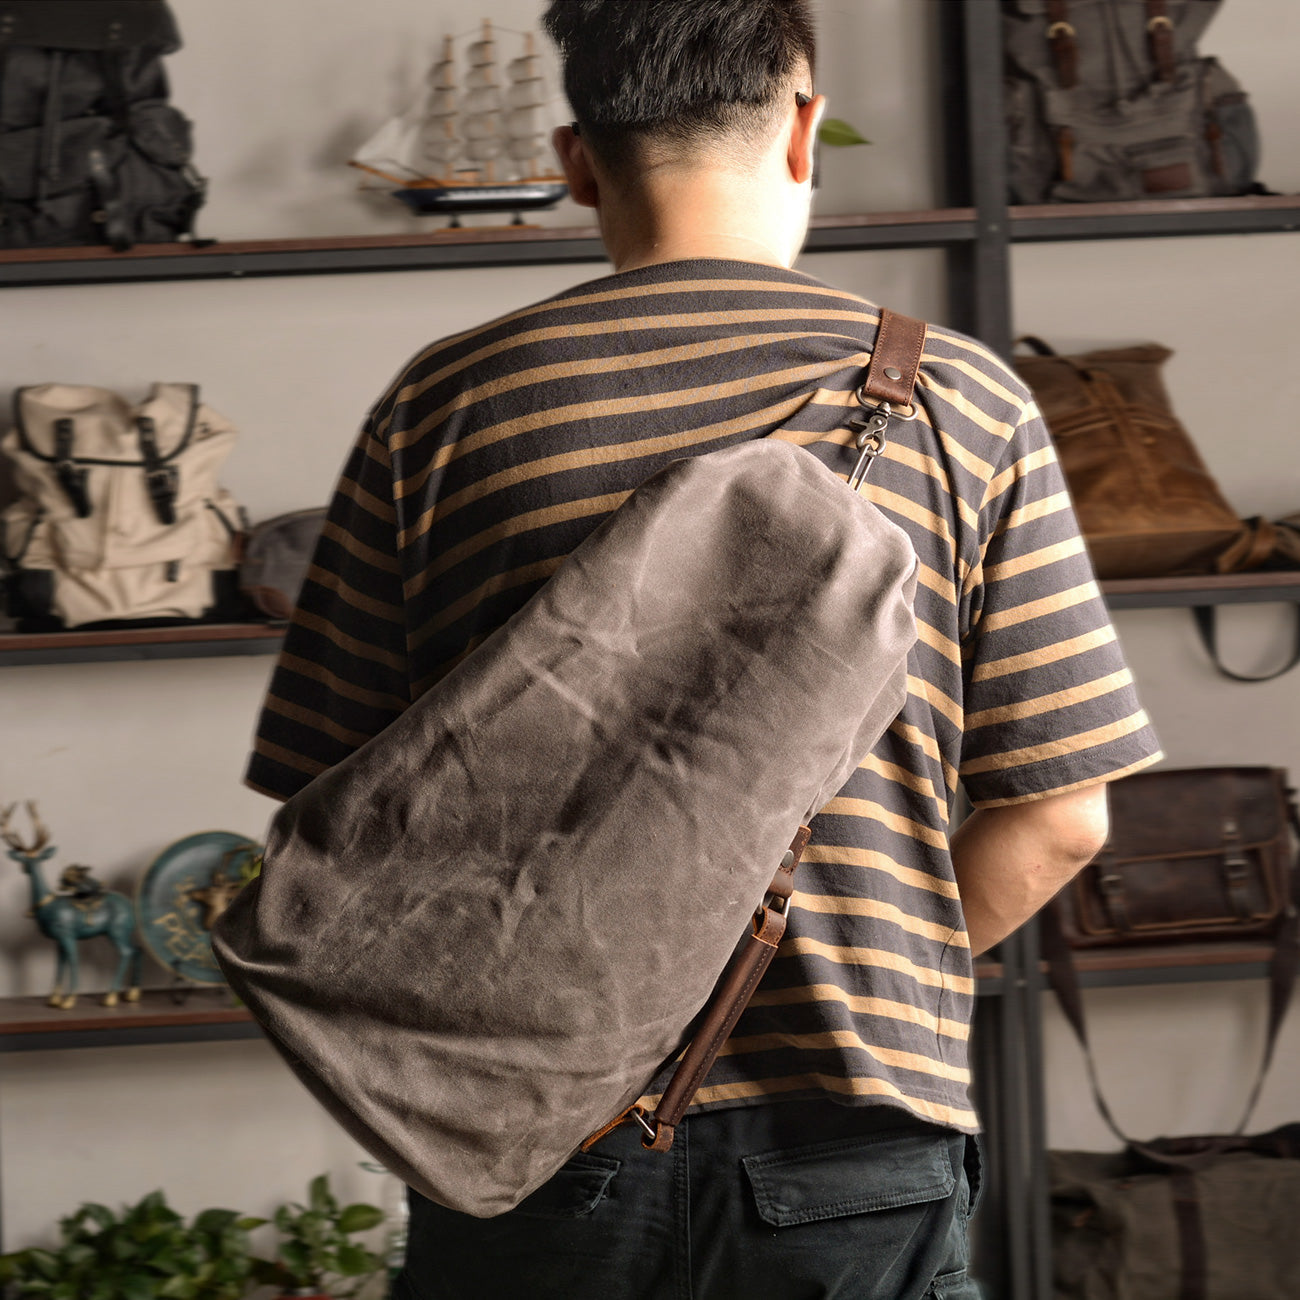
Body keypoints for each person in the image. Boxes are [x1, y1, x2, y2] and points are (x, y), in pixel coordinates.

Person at [245, 2, 1162, 1296]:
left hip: (535, 1144)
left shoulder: (446, 404)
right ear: (803, 131)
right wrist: (881, 974)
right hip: (850, 1147)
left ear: (577, 161)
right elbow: (1062, 822)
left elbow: (347, 809)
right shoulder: (965, 402)